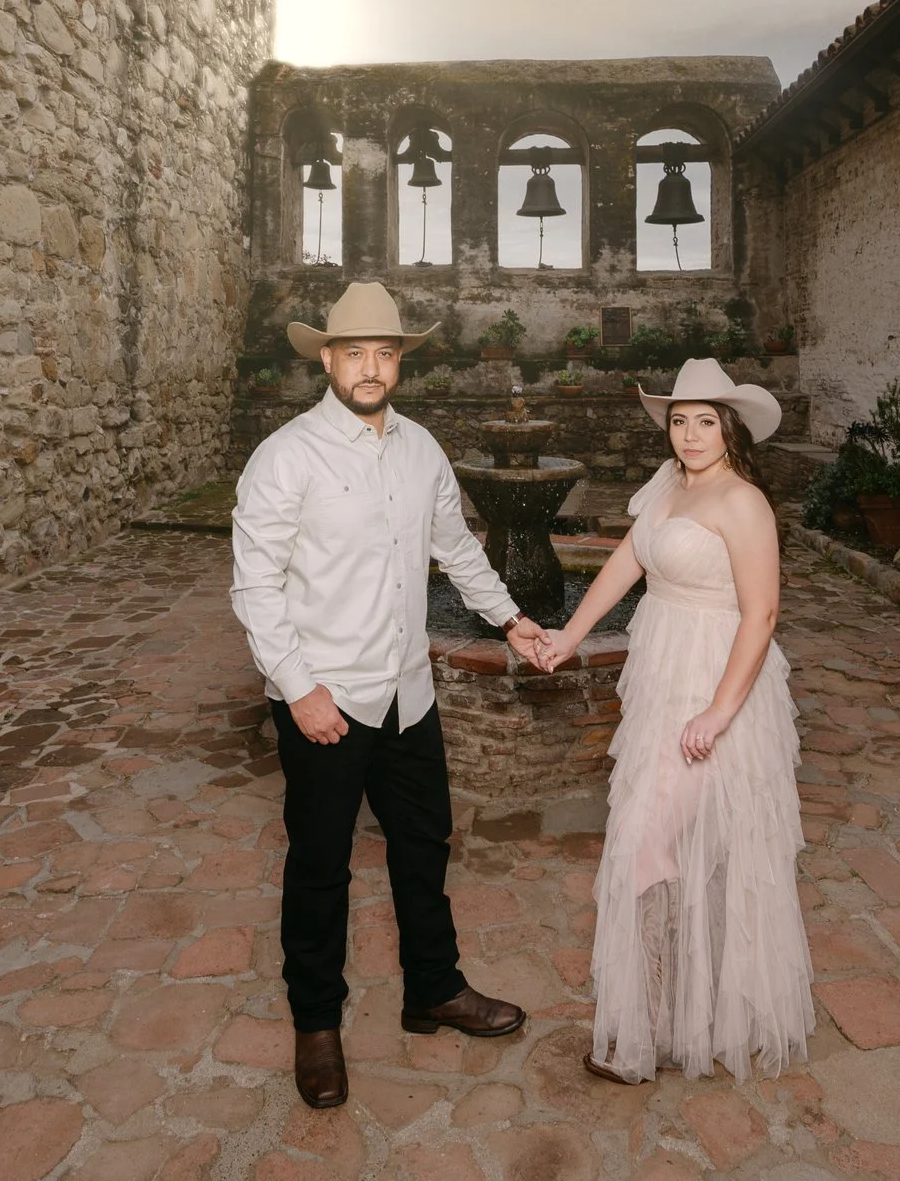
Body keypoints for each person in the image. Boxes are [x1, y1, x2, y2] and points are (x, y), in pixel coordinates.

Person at [231, 281, 540, 1110]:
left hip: (408, 692)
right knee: (320, 866)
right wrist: (298, 690)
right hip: (325, 702)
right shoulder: (286, 457)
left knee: (424, 845)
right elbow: (255, 588)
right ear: (327, 359)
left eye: (386, 352)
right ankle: (316, 1025)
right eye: (355, 352)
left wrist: (511, 620)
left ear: (401, 361)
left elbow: (458, 549)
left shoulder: (422, 450)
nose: (371, 367)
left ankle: (433, 988)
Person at [514, 358, 813, 1082]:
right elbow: (627, 562)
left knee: (657, 843)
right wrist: (569, 635)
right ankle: (661, 1016)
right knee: (655, 840)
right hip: (660, 679)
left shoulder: (743, 502)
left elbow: (763, 613)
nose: (690, 434)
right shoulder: (670, 484)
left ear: (731, 428)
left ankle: (652, 1023)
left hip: (716, 681)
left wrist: (720, 709)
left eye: (706, 421)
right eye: (680, 421)